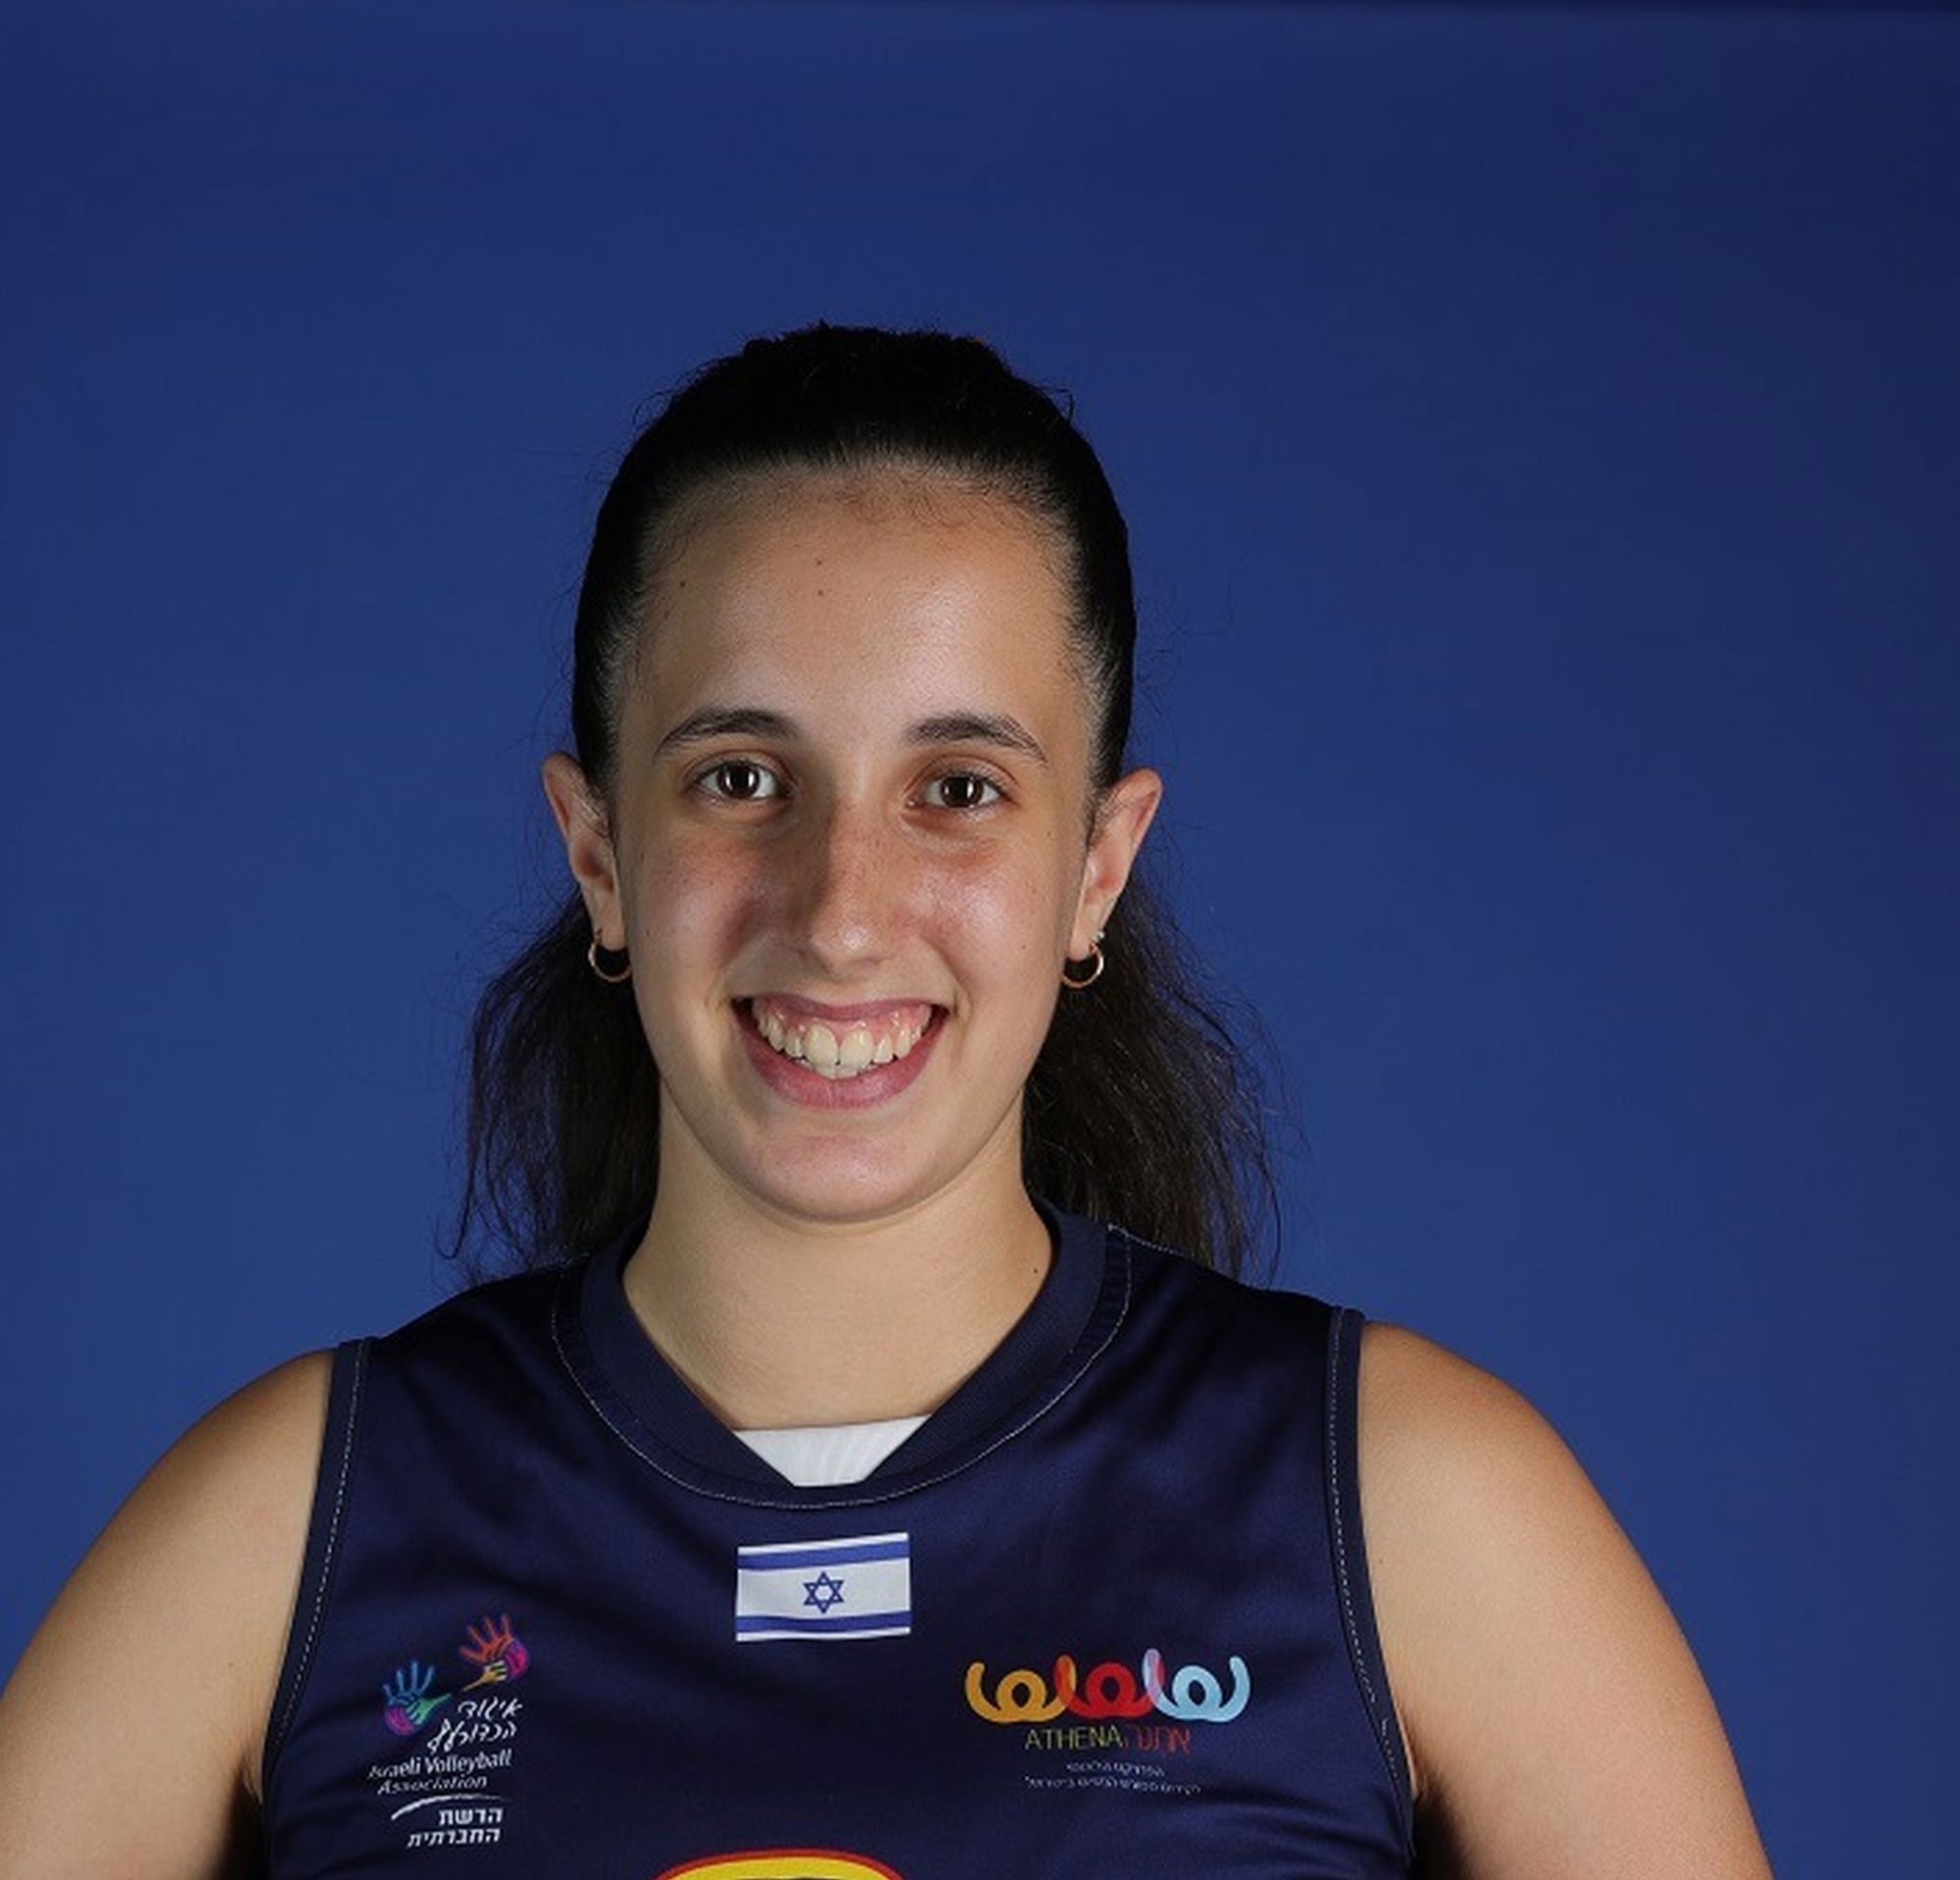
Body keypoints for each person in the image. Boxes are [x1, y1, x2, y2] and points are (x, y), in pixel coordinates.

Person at [0, 323, 1776, 1877]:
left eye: (959, 787)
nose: (842, 911)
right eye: (741, 776)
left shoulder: (1413, 1506)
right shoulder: (288, 1529)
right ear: (598, 852)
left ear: (1098, 865)